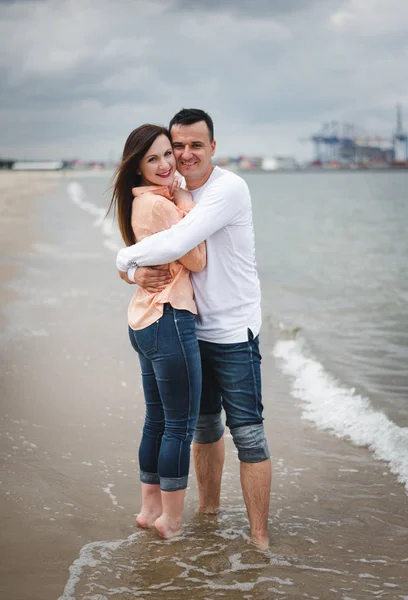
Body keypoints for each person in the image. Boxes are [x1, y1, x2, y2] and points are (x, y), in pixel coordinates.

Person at [116, 109, 272, 550]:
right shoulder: (173, 191)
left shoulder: (227, 189)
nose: (182, 155)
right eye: (175, 146)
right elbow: (154, 241)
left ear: (213, 148)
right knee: (202, 429)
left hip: (233, 329)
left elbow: (178, 245)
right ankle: (207, 514)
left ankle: (259, 540)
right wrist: (133, 271)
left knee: (248, 433)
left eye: (193, 145)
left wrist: (122, 263)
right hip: (187, 329)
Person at [107, 124, 206, 539]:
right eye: (153, 159)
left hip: (144, 322)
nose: (167, 164)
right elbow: (197, 258)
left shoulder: (139, 203)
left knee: (157, 420)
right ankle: (172, 519)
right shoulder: (163, 205)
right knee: (180, 426)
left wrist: (130, 272)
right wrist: (185, 198)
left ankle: (150, 509)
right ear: (137, 167)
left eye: (168, 153)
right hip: (169, 320)